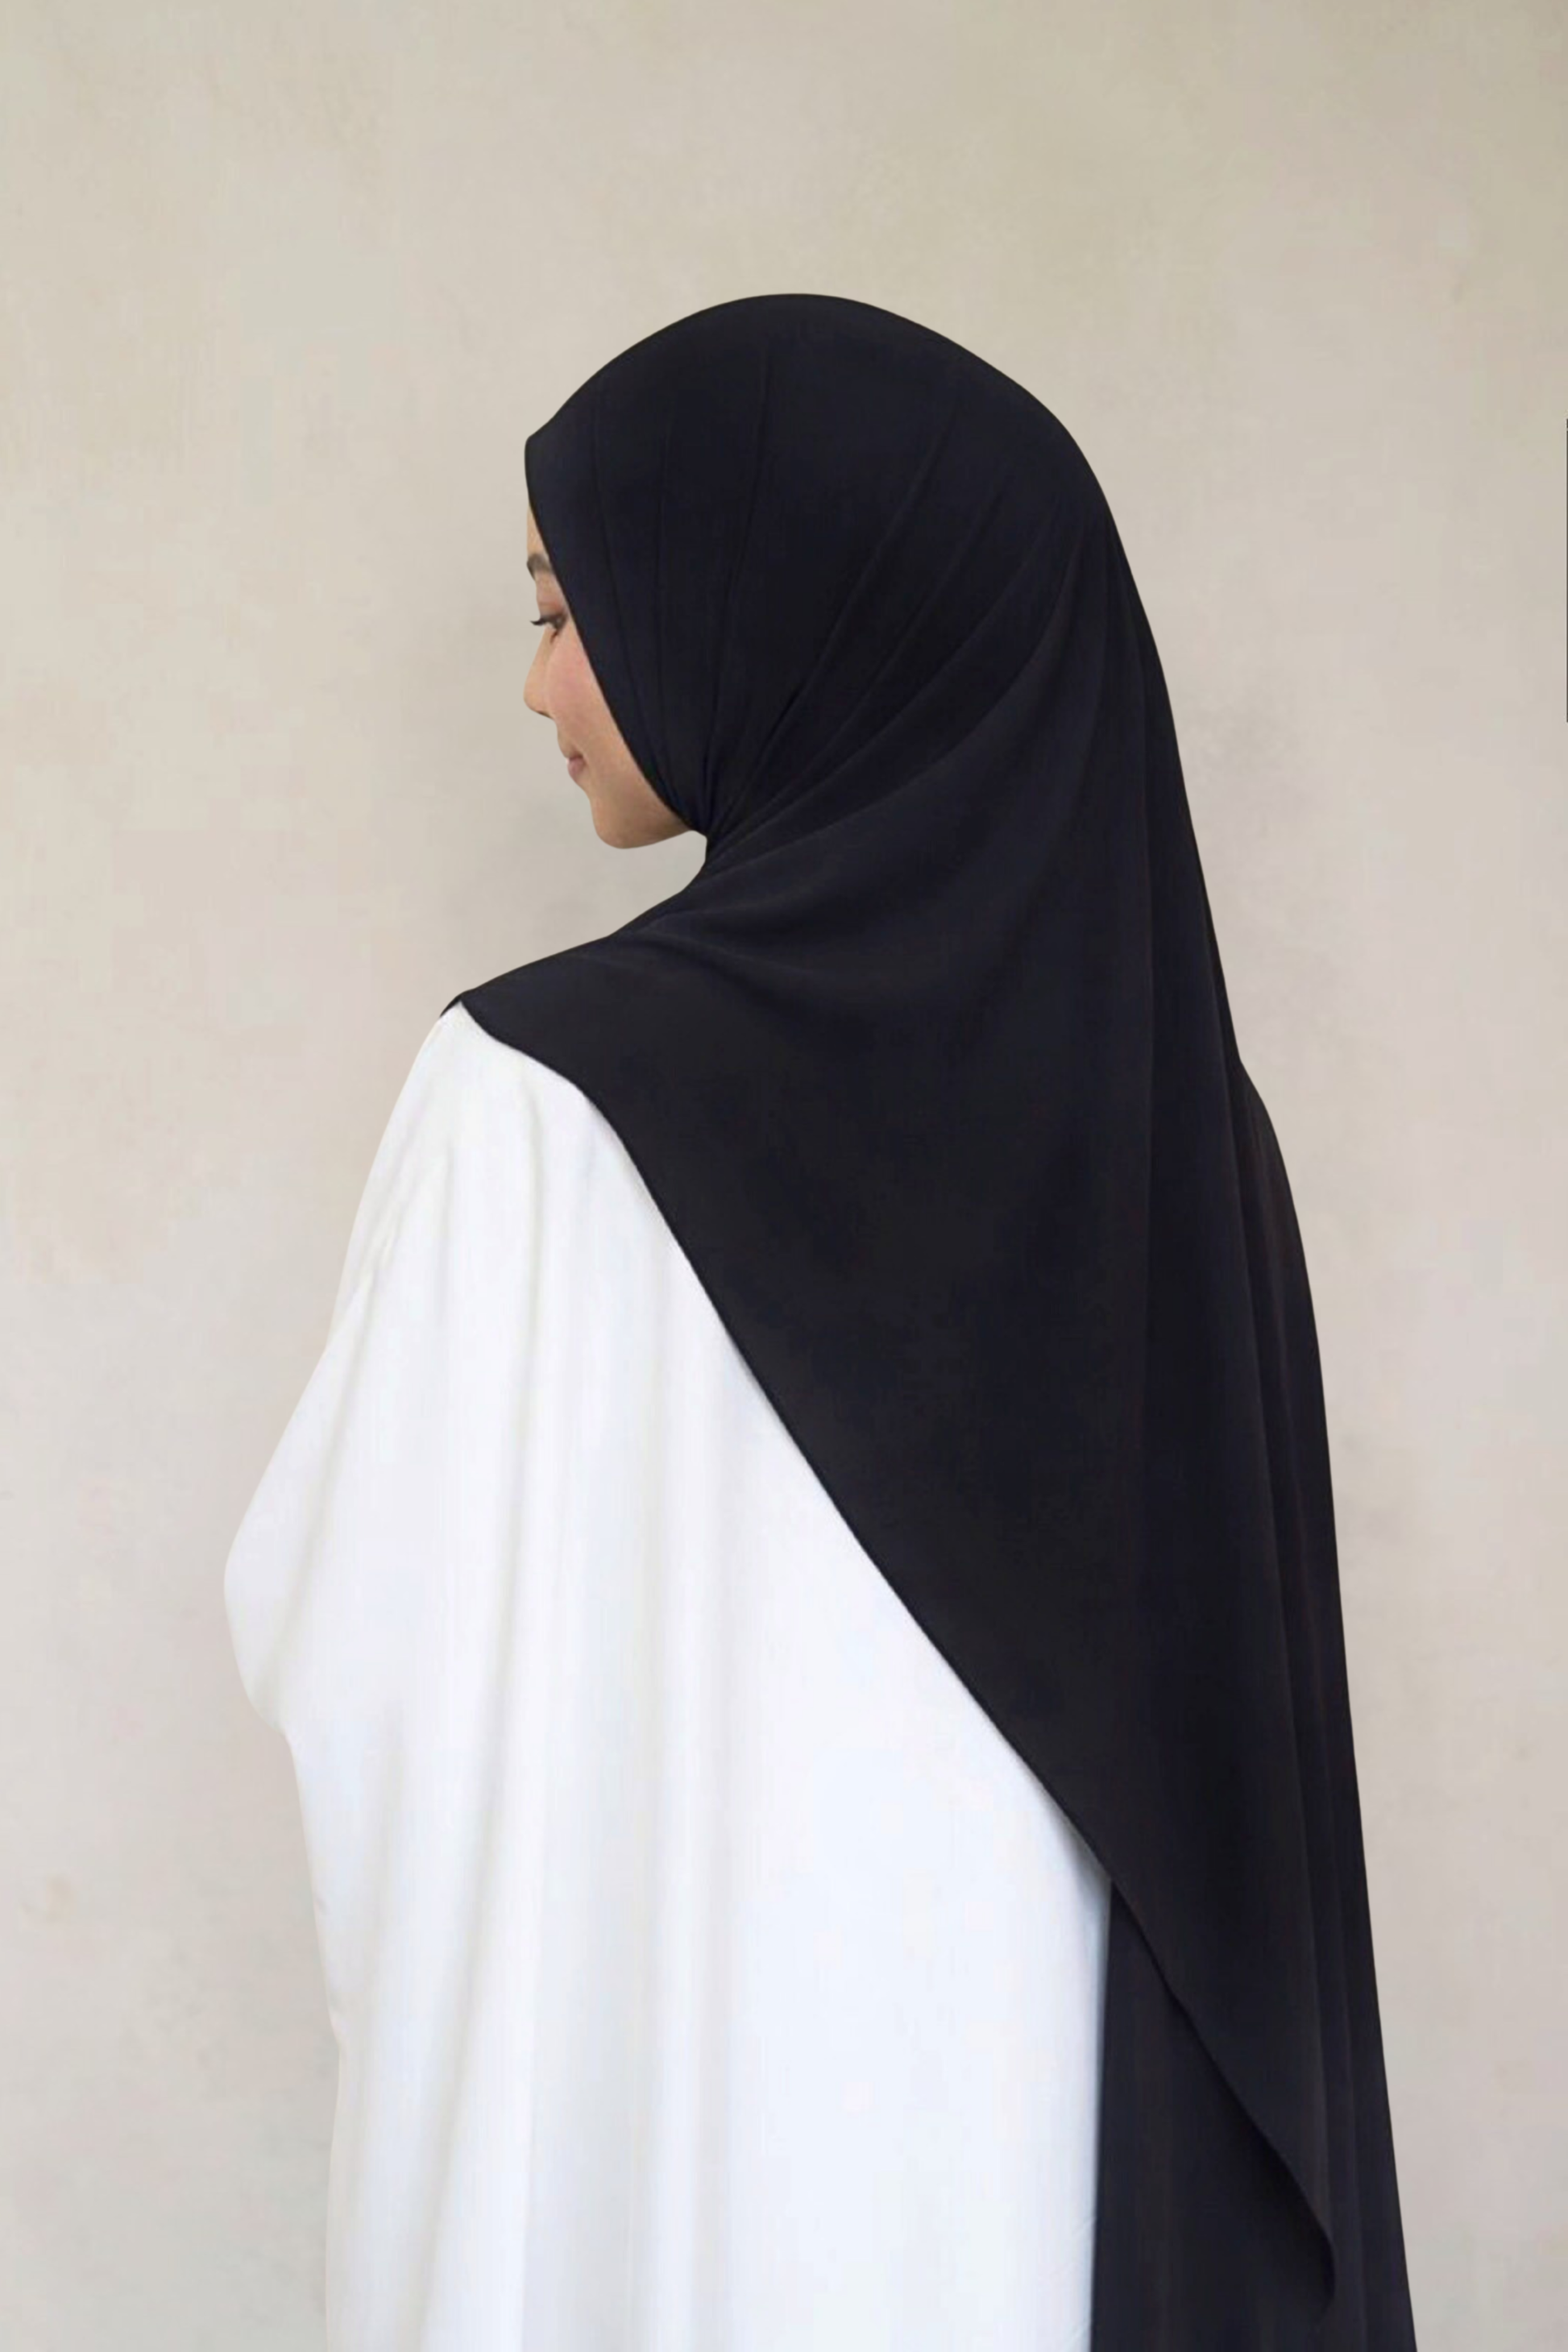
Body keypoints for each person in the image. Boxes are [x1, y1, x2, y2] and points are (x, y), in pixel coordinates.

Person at [224, 292, 1417, 2351]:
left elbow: (375, 1693)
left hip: (662, 2210)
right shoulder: (1181, 1150)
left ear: (774, 602)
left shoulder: (536, 1107)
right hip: (1052, 2233)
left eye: (566, 607)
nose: (535, 682)